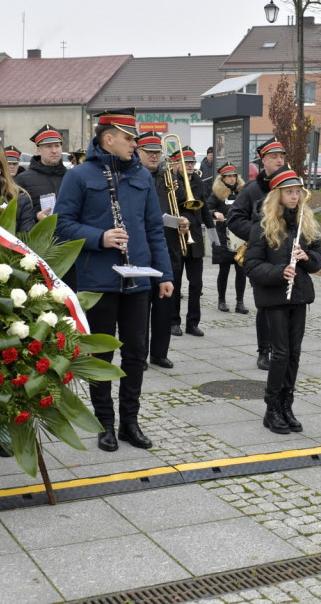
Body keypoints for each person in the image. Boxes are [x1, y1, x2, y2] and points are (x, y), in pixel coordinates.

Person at [54, 109, 174, 452]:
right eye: (129, 138)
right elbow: (62, 226)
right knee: (101, 357)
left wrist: (164, 274)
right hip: (99, 281)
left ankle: (129, 423)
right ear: (109, 138)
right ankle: (104, 424)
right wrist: (100, 237)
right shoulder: (79, 175)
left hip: (139, 280)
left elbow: (154, 229)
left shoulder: (142, 177)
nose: (134, 144)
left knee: (137, 354)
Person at [243, 169, 321, 434]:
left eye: (297, 191)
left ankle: (287, 404)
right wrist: (280, 272)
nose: (294, 196)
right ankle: (271, 409)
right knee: (279, 353)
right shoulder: (262, 226)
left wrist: (305, 258)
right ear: (277, 195)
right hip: (274, 297)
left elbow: (318, 260)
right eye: (289, 192)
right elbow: (252, 265)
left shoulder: (305, 223)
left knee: (294, 353)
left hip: (298, 296)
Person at [227, 137, 290, 370]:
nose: (279, 160)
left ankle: (282, 349)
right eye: (274, 157)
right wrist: (259, 234)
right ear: (263, 160)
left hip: (286, 255)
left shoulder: (290, 184)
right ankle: (264, 351)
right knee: (265, 305)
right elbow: (234, 219)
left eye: (282, 157)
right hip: (262, 256)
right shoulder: (253, 189)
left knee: (287, 304)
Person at [135, 132, 178, 369]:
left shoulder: (170, 179)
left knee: (164, 307)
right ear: (138, 152)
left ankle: (159, 353)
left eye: (157, 152)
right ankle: (139, 354)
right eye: (149, 151)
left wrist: (183, 222)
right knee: (141, 310)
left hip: (167, 248)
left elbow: (185, 207)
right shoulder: (134, 178)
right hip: (143, 251)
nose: (154, 155)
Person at [169, 147, 214, 337]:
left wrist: (213, 235)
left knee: (196, 284)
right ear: (177, 163)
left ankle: (193, 323)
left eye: (192, 163)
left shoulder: (198, 181)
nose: (189, 166)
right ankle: (173, 322)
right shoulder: (171, 182)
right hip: (176, 237)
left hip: (194, 238)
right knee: (176, 283)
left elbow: (203, 208)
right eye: (186, 162)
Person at [206, 162, 249, 313]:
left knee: (241, 270)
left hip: (240, 236)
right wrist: (214, 213)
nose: (231, 179)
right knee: (224, 270)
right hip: (223, 236)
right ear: (222, 179)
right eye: (228, 177)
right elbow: (207, 207)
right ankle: (221, 301)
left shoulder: (243, 192)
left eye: (233, 176)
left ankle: (240, 302)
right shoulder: (217, 193)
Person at [16, 124, 68, 222]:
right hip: (41, 234)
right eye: (48, 146)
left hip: (70, 234)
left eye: (57, 146)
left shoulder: (70, 176)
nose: (54, 151)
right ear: (39, 150)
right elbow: (17, 215)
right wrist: (36, 216)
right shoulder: (23, 180)